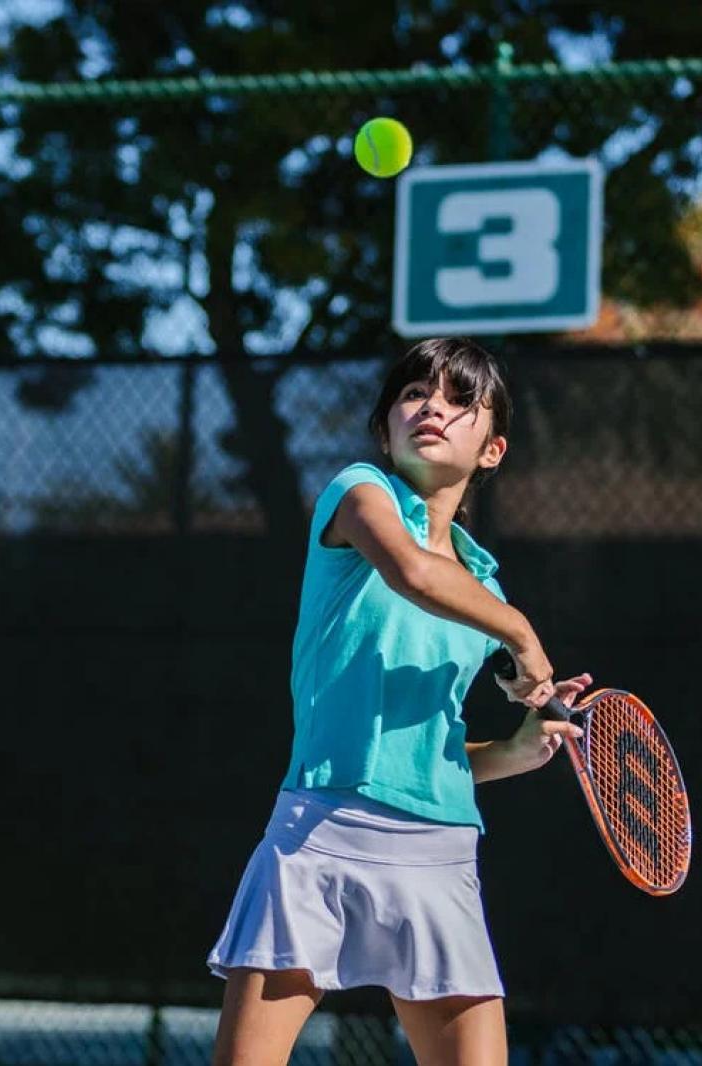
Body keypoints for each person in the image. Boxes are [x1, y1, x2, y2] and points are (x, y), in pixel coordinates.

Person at [207, 336, 590, 1065]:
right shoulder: (359, 495)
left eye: (458, 400)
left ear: (493, 450)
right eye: (414, 395)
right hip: (321, 834)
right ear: (385, 429)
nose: (432, 409)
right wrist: (522, 635)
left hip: (440, 854)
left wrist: (513, 751)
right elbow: (414, 573)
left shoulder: (484, 584)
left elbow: (429, 755)